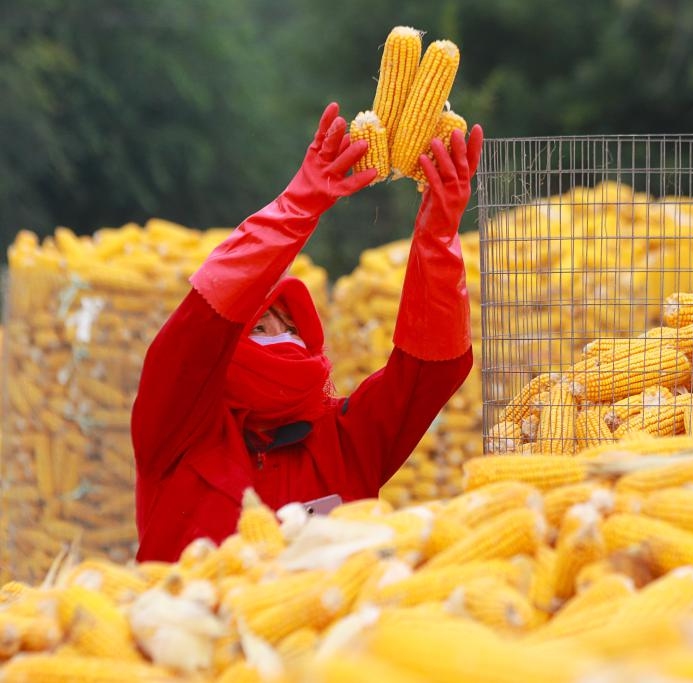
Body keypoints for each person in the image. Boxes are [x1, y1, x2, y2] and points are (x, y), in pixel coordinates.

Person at [131, 102, 484, 562]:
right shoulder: (178, 429)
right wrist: (299, 205)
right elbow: (203, 319)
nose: (282, 339)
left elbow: (429, 370)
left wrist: (437, 237)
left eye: (291, 326)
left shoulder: (346, 438)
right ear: (225, 345)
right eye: (260, 325)